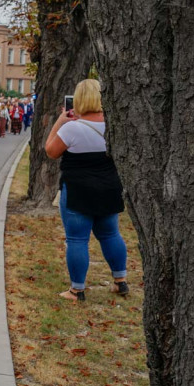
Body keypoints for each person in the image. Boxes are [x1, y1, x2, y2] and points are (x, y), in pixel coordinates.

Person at [44, 80, 128, 302]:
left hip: (78, 189)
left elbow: (50, 151)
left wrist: (60, 122)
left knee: (77, 239)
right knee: (110, 234)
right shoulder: (114, 125)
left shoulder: (72, 128)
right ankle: (120, 281)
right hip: (109, 186)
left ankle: (76, 289)